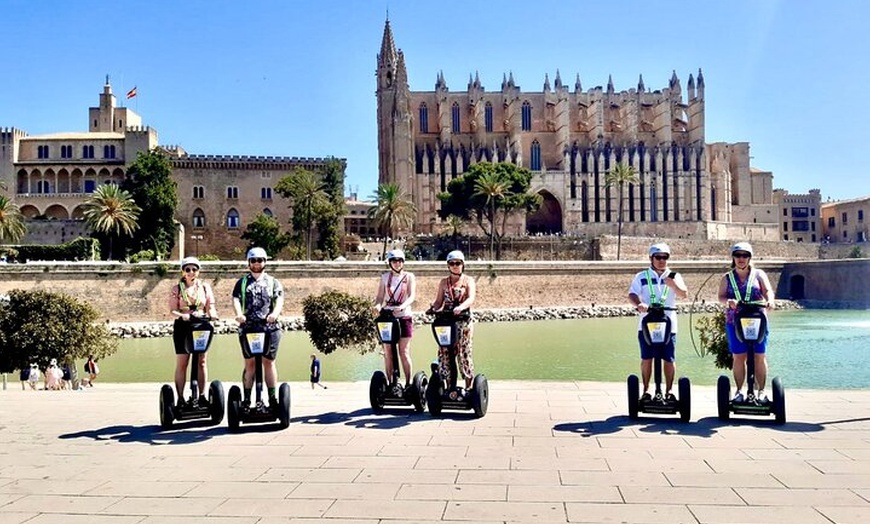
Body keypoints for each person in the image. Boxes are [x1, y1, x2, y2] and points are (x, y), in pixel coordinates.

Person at [628, 243, 689, 401]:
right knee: (647, 358)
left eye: (665, 257)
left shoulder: (674, 276)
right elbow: (632, 294)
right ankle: (646, 390)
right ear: (651, 258)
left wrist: (673, 286)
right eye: (658, 257)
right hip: (646, 324)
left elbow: (684, 295)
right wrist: (639, 304)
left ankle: (669, 391)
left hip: (669, 325)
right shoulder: (641, 276)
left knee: (668, 358)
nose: (662, 260)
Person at [717, 242, 775, 403]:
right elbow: (720, 297)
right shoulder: (727, 278)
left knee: (759, 356)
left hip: (758, 320)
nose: (741, 259)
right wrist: (728, 301)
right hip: (735, 321)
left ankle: (762, 391)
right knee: (738, 356)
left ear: (750, 258)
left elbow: (768, 291)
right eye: (738, 255)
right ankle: (739, 391)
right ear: (733, 258)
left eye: (745, 255)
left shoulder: (759, 274)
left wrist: (770, 301)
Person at [232, 247, 285, 407]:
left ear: (265, 262)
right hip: (248, 328)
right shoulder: (242, 282)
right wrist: (239, 314)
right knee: (250, 364)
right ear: (249, 262)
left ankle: (273, 398)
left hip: (269, 328)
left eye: (260, 260)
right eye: (253, 260)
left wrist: (275, 314)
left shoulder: (273, 282)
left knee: (268, 362)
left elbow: (279, 299)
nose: (256, 263)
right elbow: (235, 299)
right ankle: (247, 399)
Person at [169, 256, 218, 407]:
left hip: (201, 326)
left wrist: (213, 315)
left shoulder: (205, 287)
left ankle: (202, 395)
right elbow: (172, 310)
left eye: (194, 269)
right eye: (187, 269)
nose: (191, 272)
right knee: (183, 363)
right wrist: (182, 315)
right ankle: (181, 398)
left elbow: (210, 306)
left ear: (198, 271)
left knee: (201, 361)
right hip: (183, 327)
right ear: (183, 271)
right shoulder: (176, 289)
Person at [428, 250, 477, 394]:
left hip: (463, 321)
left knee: (463, 352)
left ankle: (469, 386)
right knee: (445, 352)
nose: (455, 266)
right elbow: (438, 301)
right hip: (447, 321)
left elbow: (471, 298)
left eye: (458, 263)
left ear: (463, 264)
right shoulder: (444, 282)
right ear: (448, 265)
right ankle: (450, 386)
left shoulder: (468, 281)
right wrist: (433, 308)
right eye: (452, 263)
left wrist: (461, 307)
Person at [372, 249, 417, 389]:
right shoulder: (385, 277)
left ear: (403, 262)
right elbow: (380, 297)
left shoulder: (409, 277)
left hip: (404, 316)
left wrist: (403, 306)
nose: (397, 264)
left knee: (403, 351)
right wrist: (377, 306)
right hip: (388, 317)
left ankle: (409, 383)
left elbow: (412, 296)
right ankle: (391, 382)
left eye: (399, 261)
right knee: (388, 351)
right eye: (394, 261)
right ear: (389, 263)